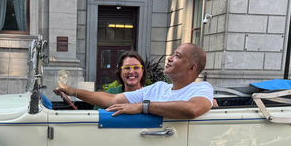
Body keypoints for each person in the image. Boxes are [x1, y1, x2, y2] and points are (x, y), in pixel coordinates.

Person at [55, 43, 213, 119]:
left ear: (192, 68)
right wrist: (72, 91)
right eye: (172, 54)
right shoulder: (159, 88)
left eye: (177, 56)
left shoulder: (202, 88)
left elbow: (193, 109)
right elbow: (112, 99)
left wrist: (142, 107)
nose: (170, 58)